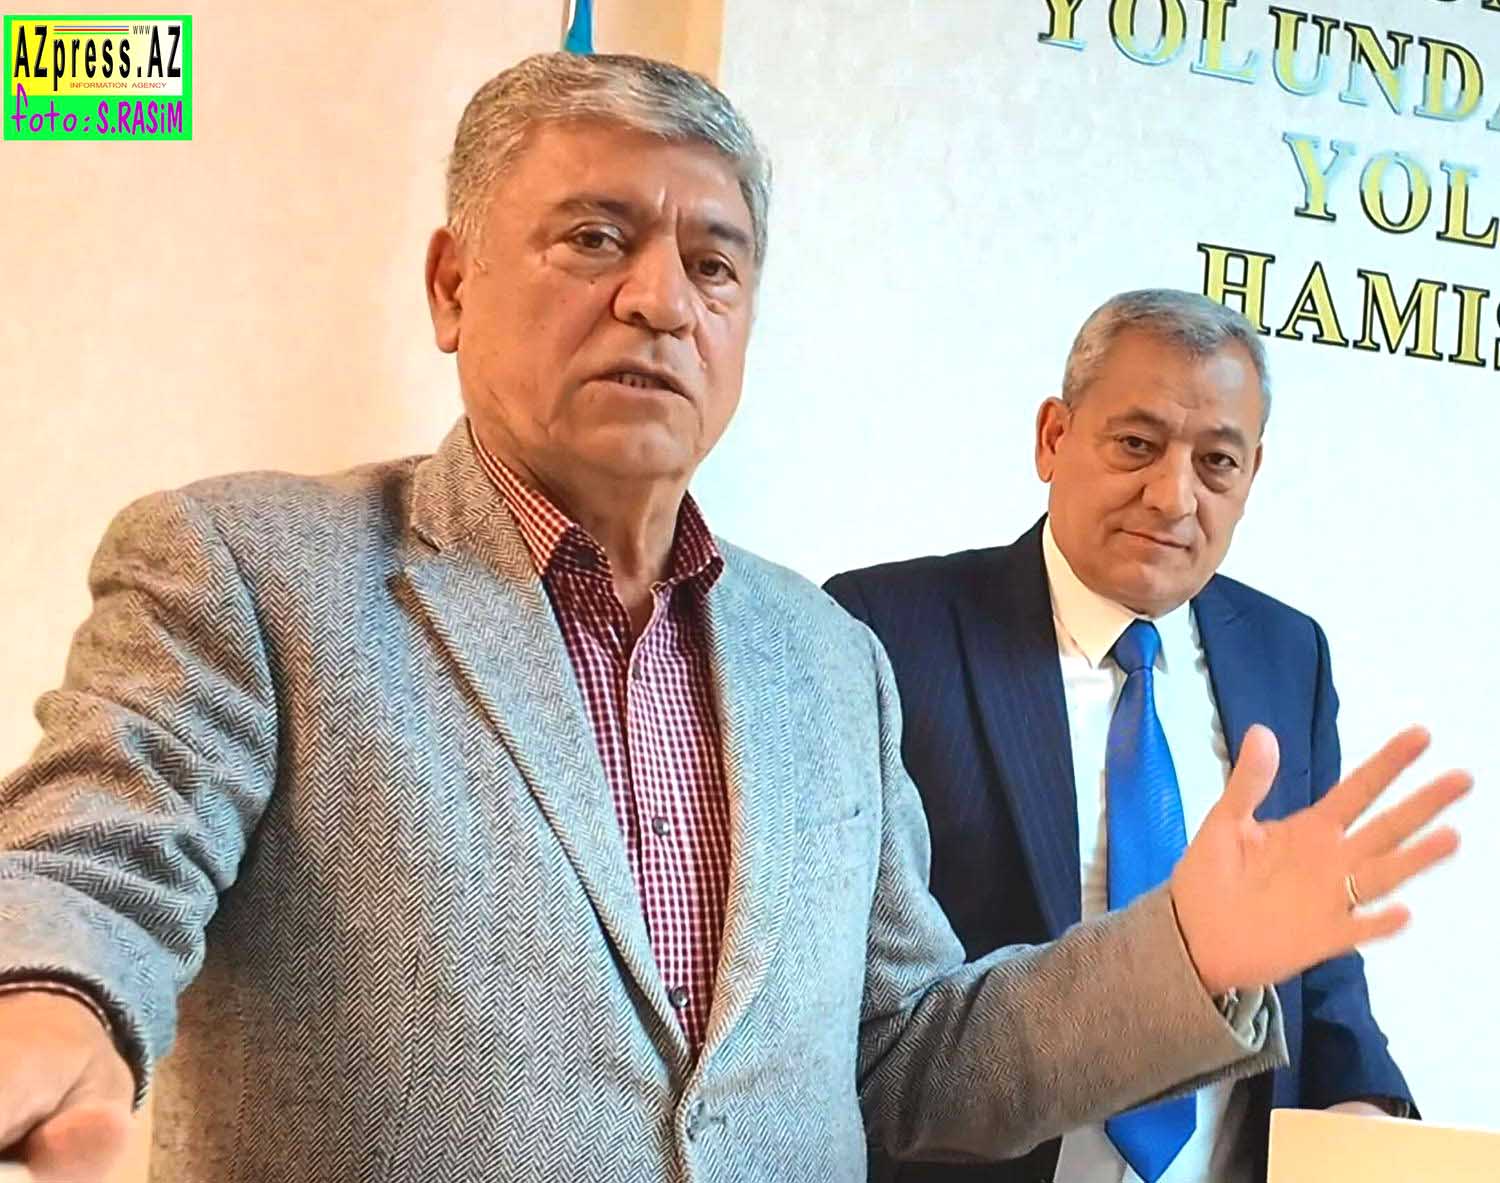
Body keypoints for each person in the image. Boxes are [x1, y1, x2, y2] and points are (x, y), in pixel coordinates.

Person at [0, 60, 1464, 1183]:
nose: (660, 299)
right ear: (452, 286)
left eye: (714, 264)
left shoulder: (825, 659)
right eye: (595, 237)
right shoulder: (254, 571)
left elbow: (910, 1054)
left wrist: (1188, 948)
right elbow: (102, 851)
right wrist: (51, 997)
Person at [826, 290, 1419, 1183]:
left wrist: (1361, 1110)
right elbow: (860, 1013)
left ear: (1252, 476)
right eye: (1137, 444)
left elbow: (1313, 958)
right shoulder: (884, 632)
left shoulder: (1287, 653)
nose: (1174, 496)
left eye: (1216, 462)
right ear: (1053, 438)